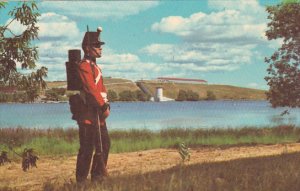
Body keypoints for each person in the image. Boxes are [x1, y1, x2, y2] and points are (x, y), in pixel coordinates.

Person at [75, 26, 110, 182]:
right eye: (97, 46)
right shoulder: (84, 65)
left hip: (99, 116)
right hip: (88, 116)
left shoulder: (95, 66)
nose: (100, 49)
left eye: (100, 45)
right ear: (88, 48)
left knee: (104, 146)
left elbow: (101, 90)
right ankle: (81, 182)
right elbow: (90, 88)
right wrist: (103, 105)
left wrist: (105, 105)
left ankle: (97, 178)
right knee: (87, 150)